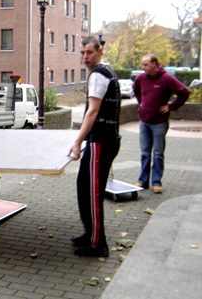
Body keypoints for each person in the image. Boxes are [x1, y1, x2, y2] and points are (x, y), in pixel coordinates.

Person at [68, 36, 121, 257]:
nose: (85, 57)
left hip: (100, 141)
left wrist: (78, 141)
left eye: (89, 52)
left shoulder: (99, 74)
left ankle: (98, 244)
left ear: (100, 52)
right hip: (102, 140)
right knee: (84, 186)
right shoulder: (104, 72)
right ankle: (90, 233)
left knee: (92, 193)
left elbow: (92, 112)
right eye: (82, 52)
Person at [133, 54, 190, 194]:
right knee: (145, 153)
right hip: (144, 121)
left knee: (158, 153)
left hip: (159, 122)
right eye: (142, 64)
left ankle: (156, 182)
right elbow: (135, 89)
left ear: (155, 64)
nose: (143, 67)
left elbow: (184, 92)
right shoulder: (141, 78)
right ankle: (143, 181)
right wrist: (141, 103)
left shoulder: (166, 78)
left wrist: (170, 106)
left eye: (146, 64)